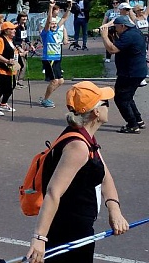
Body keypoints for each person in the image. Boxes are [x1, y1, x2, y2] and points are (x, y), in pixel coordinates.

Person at [24, 82, 129, 263]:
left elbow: (105, 176)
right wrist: (39, 238)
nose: (109, 107)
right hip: (68, 232)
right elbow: (53, 192)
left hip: (80, 228)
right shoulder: (77, 146)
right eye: (106, 103)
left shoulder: (86, 138)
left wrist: (114, 210)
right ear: (96, 112)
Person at [100, 15, 147, 133]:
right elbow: (121, 45)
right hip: (136, 71)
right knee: (128, 97)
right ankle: (138, 120)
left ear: (122, 26)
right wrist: (112, 35)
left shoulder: (128, 36)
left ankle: (132, 125)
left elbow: (112, 49)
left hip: (129, 73)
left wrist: (105, 36)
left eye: (115, 27)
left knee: (121, 99)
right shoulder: (134, 32)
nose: (114, 29)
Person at [39, 0, 70, 108]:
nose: (53, 25)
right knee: (54, 81)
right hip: (49, 59)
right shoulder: (46, 33)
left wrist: (69, 7)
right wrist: (51, 7)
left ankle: (45, 97)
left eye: (55, 24)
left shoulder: (57, 30)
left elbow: (65, 18)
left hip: (57, 58)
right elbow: (48, 20)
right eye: (52, 23)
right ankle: (45, 100)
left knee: (61, 81)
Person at [0, 21, 18, 114]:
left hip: (10, 67)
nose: (14, 31)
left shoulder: (11, 40)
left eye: (14, 29)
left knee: (11, 86)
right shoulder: (0, 40)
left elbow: (13, 51)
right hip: (1, 67)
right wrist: (7, 61)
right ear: (5, 31)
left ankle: (3, 103)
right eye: (12, 29)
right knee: (2, 87)